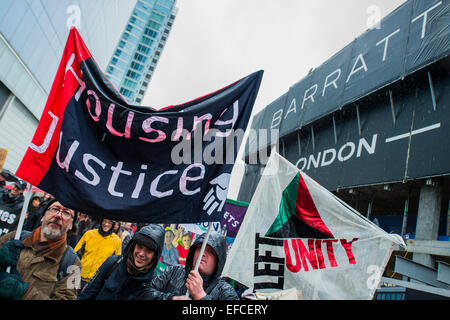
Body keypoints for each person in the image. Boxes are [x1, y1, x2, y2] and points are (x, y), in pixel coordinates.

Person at [0, 198, 81, 300]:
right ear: (43, 217)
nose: (58, 215)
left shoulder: (74, 264)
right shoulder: (15, 237)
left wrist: (24, 293)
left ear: (70, 225)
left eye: (66, 213)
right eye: (55, 209)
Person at [139, 231, 239, 300]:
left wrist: (201, 296)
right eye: (200, 247)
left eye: (210, 251)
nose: (203, 254)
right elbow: (144, 294)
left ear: (218, 260)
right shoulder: (173, 271)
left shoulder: (225, 291)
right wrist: (171, 298)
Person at [78, 224, 165, 300]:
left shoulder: (152, 283)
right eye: (139, 246)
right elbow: (87, 294)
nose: (141, 253)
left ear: (155, 255)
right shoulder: (113, 263)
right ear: (133, 246)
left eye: (149, 250)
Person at [74, 218, 121, 290]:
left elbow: (116, 264)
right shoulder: (89, 234)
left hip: (96, 282)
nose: (106, 224)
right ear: (101, 221)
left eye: (110, 222)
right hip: (80, 276)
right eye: (104, 221)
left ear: (113, 225)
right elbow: (76, 255)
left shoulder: (117, 241)